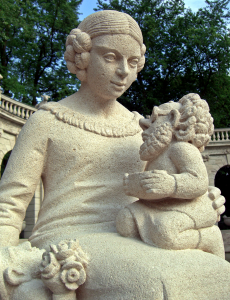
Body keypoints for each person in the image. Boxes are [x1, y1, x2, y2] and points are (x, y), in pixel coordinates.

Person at [0, 10, 228, 300]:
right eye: (110, 57)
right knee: (155, 285)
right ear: (82, 56)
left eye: (133, 62)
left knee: (218, 274)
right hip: (67, 242)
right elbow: (9, 206)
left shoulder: (140, 126)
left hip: (135, 232)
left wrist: (199, 198)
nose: (123, 71)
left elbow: (158, 189)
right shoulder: (47, 121)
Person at [116, 94, 225, 258]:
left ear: (173, 118)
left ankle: (208, 238)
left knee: (165, 231)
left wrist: (171, 183)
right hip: (155, 207)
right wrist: (135, 186)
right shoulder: (156, 155)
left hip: (185, 208)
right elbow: (153, 186)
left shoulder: (181, 149)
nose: (143, 124)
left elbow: (199, 181)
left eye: (153, 119)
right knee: (124, 220)